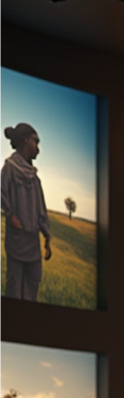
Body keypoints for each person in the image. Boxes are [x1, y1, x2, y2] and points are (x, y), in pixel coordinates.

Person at [0, 123, 52, 301]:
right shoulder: (10, 168)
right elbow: (1, 192)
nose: (38, 148)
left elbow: (41, 210)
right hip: (16, 241)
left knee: (33, 284)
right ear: (25, 140)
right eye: (35, 141)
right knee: (14, 289)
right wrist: (10, 214)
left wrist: (47, 237)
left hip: (33, 244)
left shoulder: (35, 178)